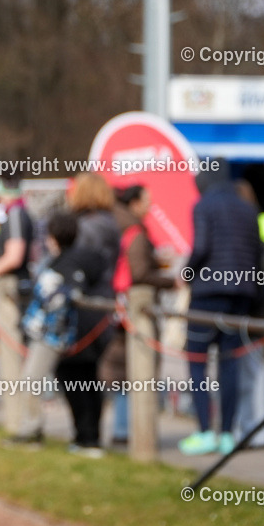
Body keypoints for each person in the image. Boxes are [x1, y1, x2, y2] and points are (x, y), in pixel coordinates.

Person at [179, 160, 264, 455]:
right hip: (241, 296)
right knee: (230, 363)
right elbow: (257, 256)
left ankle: (205, 431)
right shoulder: (247, 209)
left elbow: (200, 248)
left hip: (207, 294)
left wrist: (185, 274)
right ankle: (227, 434)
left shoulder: (204, 206)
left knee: (197, 360)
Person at [7, 211, 104, 453]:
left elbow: (69, 293)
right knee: (70, 385)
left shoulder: (66, 263)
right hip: (53, 333)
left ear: (52, 236)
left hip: (52, 334)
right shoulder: (59, 260)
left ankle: (31, 433)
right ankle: (82, 438)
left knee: (31, 381)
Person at [98, 185, 175, 446]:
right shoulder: (135, 232)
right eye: (147, 200)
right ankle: (134, 432)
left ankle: (123, 429)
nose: (150, 206)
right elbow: (140, 273)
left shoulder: (112, 224)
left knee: (121, 370)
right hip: (134, 307)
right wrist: (169, 281)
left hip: (117, 305)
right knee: (136, 368)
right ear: (134, 203)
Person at [56, 173, 120, 454]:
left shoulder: (87, 228)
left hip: (85, 308)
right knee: (88, 373)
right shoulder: (110, 224)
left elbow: (80, 265)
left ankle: (86, 435)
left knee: (73, 371)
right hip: (103, 303)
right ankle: (88, 435)